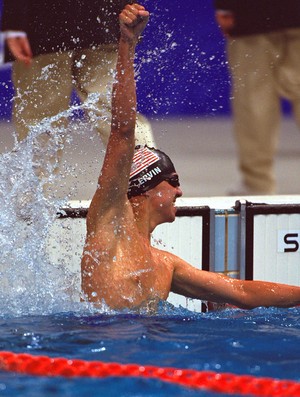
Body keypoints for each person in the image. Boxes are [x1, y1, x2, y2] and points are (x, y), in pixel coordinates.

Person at [81, 3, 300, 312]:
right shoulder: (108, 225)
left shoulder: (166, 264)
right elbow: (122, 132)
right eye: (172, 182)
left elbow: (241, 292)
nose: (180, 191)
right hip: (94, 355)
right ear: (145, 189)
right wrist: (126, 46)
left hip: (144, 354)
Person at [1, 0, 154, 178]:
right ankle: (152, 184)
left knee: (40, 122)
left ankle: (32, 199)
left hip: (43, 18)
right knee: (116, 111)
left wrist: (14, 23)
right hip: (104, 14)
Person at [214, 0, 300, 195]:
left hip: (252, 14)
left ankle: (257, 185)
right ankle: (256, 185)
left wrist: (225, 6)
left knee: (254, 104)